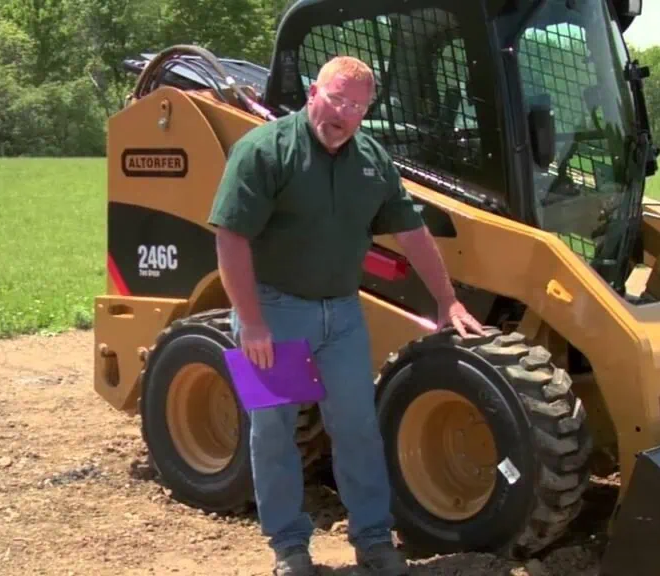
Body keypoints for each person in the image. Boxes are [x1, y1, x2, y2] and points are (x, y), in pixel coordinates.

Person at [207, 55, 486, 576]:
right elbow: (230, 237)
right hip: (274, 311)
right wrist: (255, 323)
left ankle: (374, 540)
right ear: (314, 92)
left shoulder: (372, 160)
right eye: (338, 99)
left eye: (358, 106)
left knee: (357, 426)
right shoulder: (265, 150)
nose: (345, 114)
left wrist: (448, 300)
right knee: (274, 431)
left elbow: (411, 233)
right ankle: (289, 548)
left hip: (342, 315)